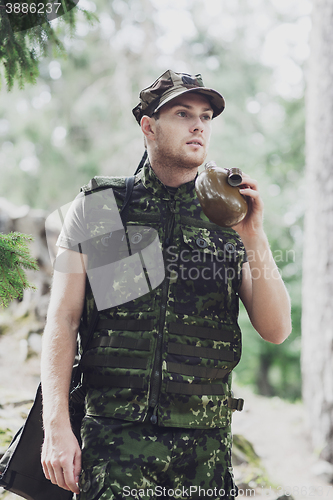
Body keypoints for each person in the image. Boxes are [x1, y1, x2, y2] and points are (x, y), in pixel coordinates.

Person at [40, 70, 292, 500]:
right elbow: (62, 320)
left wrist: (255, 236)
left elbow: (276, 329)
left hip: (203, 448)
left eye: (206, 116)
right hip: (114, 442)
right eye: (182, 113)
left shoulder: (230, 217)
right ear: (148, 126)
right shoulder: (101, 206)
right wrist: (56, 427)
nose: (199, 125)